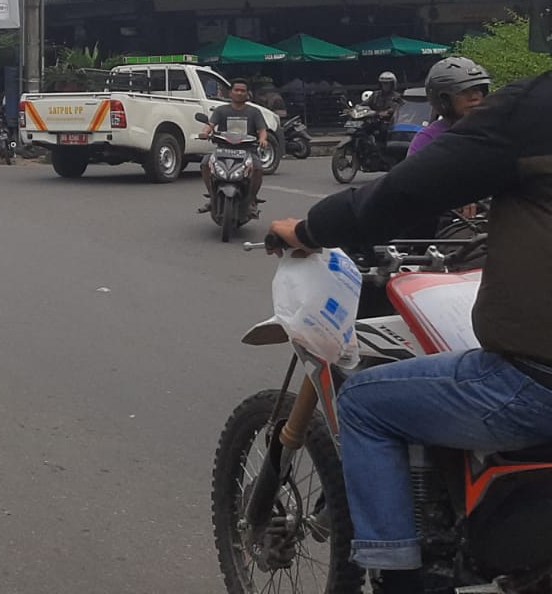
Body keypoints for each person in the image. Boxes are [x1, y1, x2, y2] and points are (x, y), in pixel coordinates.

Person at [267, 71, 552, 594]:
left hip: (537, 382)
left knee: (365, 404)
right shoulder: (413, 122)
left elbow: (408, 190)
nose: (475, 98)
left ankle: (399, 580)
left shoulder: (534, 108)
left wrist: (310, 230)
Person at [199, 80, 269, 206]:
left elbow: (262, 130)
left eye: (243, 91)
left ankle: (252, 199)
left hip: (248, 150)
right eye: (236, 90)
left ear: (247, 94)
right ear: (230, 93)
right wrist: (205, 133)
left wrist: (263, 139)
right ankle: (212, 196)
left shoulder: (254, 112)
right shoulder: (221, 110)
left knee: (258, 168)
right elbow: (210, 125)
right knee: (205, 163)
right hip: (223, 150)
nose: (239, 93)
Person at [406, 56, 490, 158]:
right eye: (463, 91)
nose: (474, 97)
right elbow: (413, 172)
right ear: (444, 100)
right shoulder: (429, 140)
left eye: (476, 90)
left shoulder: (495, 130)